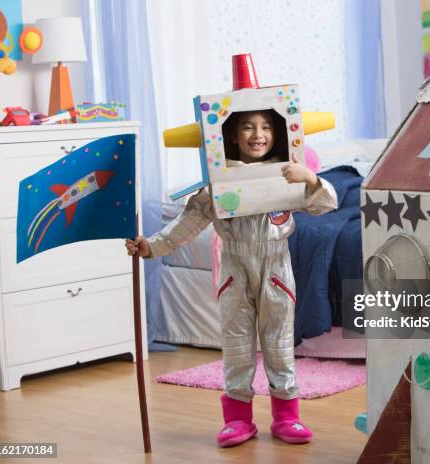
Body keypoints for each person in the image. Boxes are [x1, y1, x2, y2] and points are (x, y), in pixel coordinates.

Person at [126, 110, 337, 447]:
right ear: (233, 136)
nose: (258, 134)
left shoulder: (289, 173)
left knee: (279, 346)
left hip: (277, 273)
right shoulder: (217, 183)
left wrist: (310, 179)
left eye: (266, 126)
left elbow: (326, 205)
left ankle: (287, 417)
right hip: (235, 271)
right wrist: (150, 247)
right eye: (248, 127)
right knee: (237, 348)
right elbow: (186, 224)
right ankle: (238, 419)